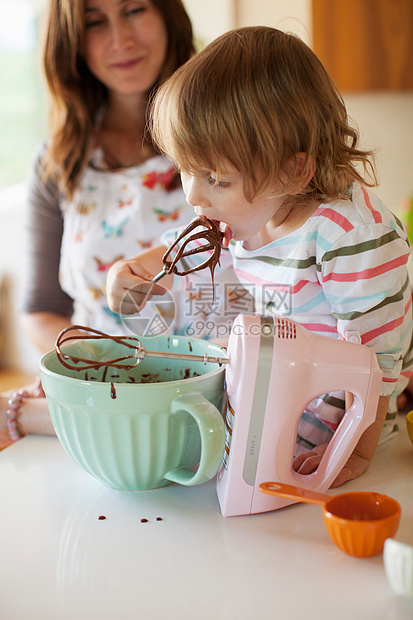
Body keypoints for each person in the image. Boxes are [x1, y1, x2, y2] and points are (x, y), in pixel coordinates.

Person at [106, 26, 413, 488]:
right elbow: (183, 248)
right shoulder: (254, 207)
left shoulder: (348, 237)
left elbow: (380, 361)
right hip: (282, 387)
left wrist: (355, 453)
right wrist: (135, 272)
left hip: (344, 418)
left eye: (215, 177)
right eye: (186, 170)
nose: (194, 196)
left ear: (292, 170)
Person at [0, 0, 200, 448]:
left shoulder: (228, 133)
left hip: (216, 388)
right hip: (101, 392)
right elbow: (42, 308)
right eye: (94, 22)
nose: (121, 39)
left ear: (167, 14)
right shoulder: (60, 161)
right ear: (72, 43)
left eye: (134, 10)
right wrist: (105, 362)